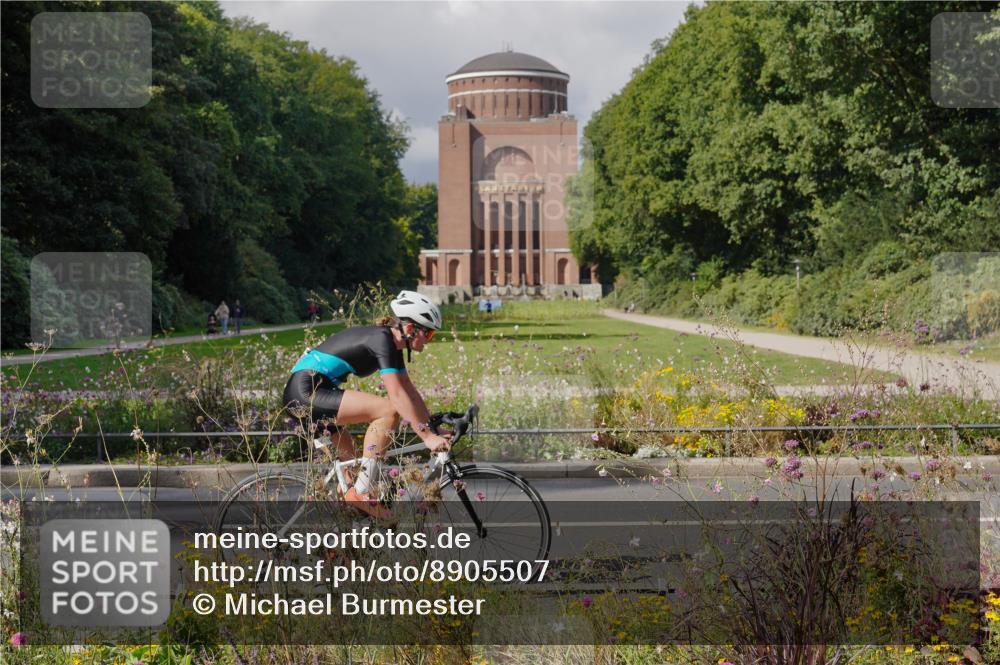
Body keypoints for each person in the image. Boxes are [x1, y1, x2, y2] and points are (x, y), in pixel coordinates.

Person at [282, 290, 449, 519]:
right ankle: (360, 495)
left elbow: (410, 392)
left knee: (350, 479)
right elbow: (397, 397)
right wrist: (427, 438)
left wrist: (433, 427)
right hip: (306, 392)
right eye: (428, 334)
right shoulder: (381, 339)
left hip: (317, 391)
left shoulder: (393, 344)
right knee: (388, 411)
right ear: (410, 329)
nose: (430, 340)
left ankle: (340, 545)